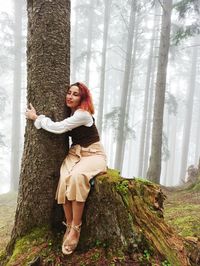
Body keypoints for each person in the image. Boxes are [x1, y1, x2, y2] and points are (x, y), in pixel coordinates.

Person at [25, 82, 107, 255]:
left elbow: (59, 128)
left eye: (75, 94)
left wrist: (36, 118)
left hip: (93, 154)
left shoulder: (83, 114)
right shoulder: (70, 111)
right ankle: (69, 225)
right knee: (64, 179)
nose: (70, 96)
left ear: (83, 98)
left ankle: (76, 228)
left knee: (77, 177)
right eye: (69, 92)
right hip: (75, 153)